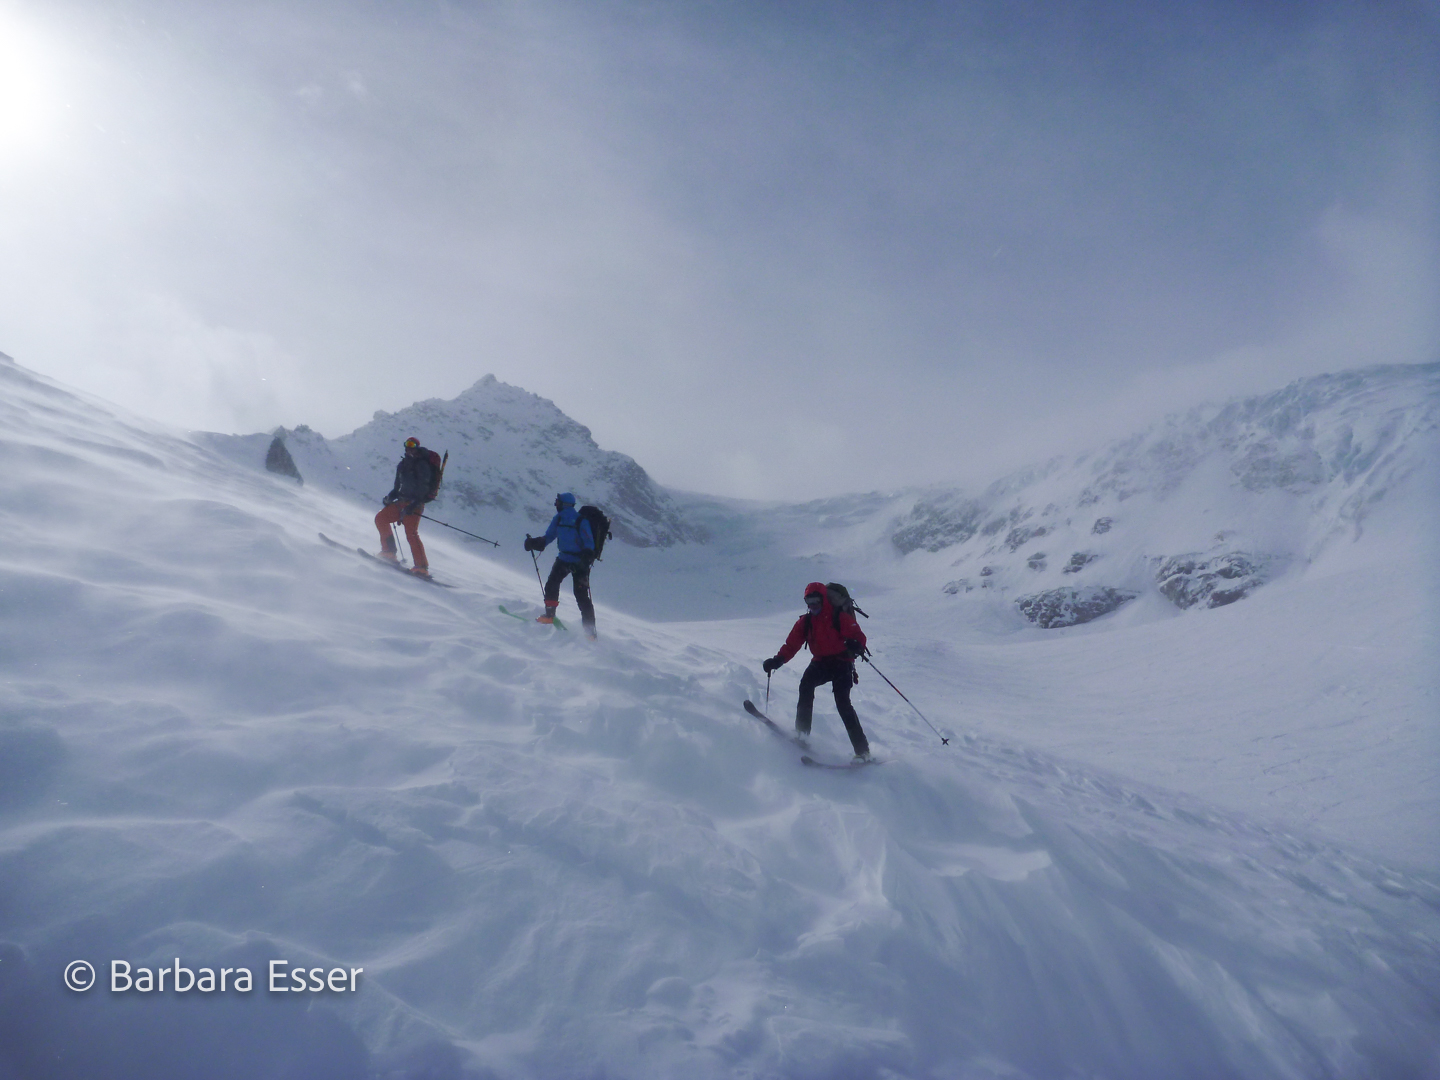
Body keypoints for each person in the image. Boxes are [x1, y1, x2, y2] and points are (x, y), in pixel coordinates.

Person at [762, 583, 871, 760]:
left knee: (843, 703)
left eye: (815, 602)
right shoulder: (805, 622)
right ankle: (802, 735)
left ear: (823, 600)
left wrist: (857, 645)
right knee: (806, 685)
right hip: (821, 662)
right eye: (808, 602)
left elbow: (858, 635)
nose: (812, 606)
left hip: (842, 662)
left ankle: (862, 750)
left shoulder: (839, 616)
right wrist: (777, 660)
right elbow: (792, 645)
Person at [523, 493, 597, 638]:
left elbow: (547, 538)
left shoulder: (562, 519)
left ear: (564, 504)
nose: (555, 504)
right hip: (578, 562)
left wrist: (533, 543)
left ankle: (549, 615)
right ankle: (590, 631)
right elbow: (589, 545)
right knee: (581, 595)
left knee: (552, 584)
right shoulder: (577, 520)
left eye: (557, 502)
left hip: (566, 559)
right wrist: (584, 562)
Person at [375, 437, 442, 577]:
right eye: (407, 444)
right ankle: (389, 552)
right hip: (401, 502)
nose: (409, 447)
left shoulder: (422, 465)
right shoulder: (403, 464)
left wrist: (414, 504)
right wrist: (389, 498)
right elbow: (396, 487)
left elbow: (423, 488)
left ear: (417, 447)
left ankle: (421, 567)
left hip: (414, 505)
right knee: (381, 518)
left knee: (411, 534)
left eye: (412, 445)